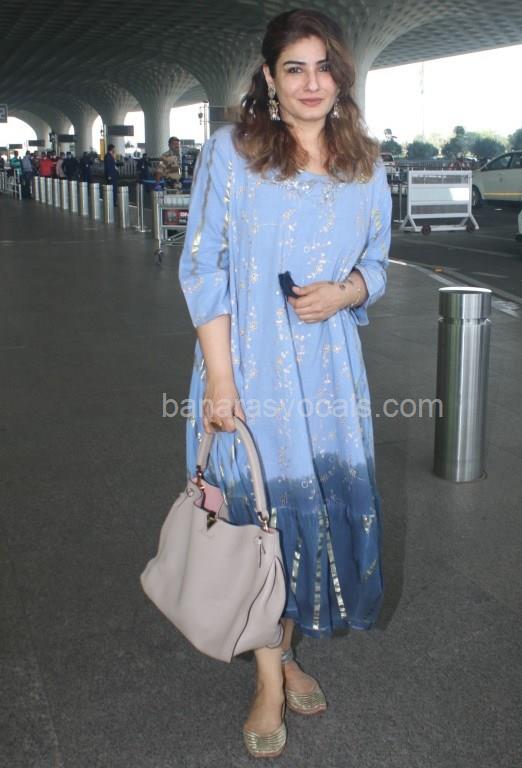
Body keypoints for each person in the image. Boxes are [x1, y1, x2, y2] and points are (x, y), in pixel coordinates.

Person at [178, 8, 391, 759]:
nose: (310, 82)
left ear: (342, 76)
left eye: (323, 66)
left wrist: (347, 291)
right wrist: (220, 380)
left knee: (310, 513)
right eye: (294, 68)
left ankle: (284, 649)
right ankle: (269, 678)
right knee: (260, 516)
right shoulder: (230, 153)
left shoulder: (365, 163)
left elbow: (380, 262)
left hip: (329, 371)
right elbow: (203, 266)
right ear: (269, 77)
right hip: (249, 367)